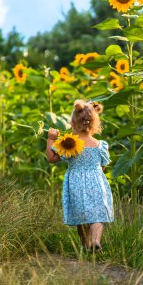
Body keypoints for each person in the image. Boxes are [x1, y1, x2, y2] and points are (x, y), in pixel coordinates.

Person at [46, 99, 114, 253]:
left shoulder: (69, 144)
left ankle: (86, 245)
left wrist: (51, 139)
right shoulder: (100, 145)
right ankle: (95, 240)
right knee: (98, 216)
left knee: (81, 218)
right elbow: (102, 166)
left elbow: (52, 159)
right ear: (95, 123)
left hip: (76, 184)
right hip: (97, 182)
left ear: (73, 123)